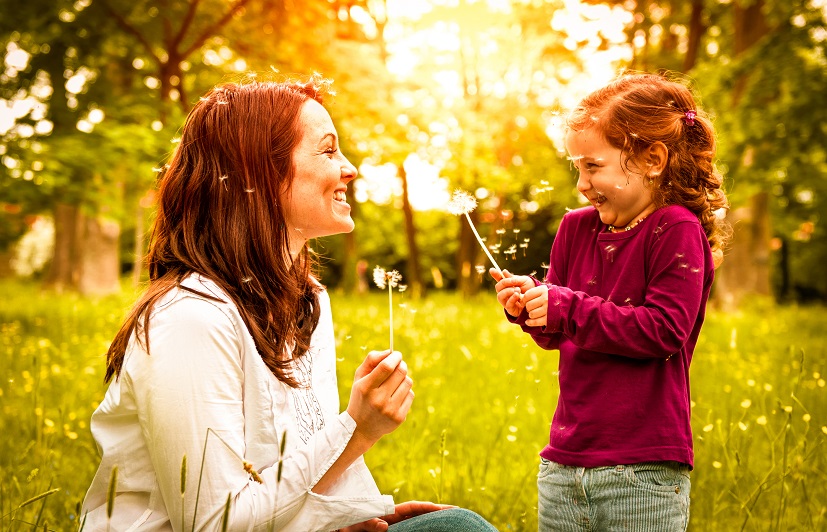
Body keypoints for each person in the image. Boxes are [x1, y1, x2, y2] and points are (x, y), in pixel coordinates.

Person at [82, 77, 497, 532]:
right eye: (328, 150)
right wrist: (356, 430)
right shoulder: (190, 319)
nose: (349, 169)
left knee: (454, 526)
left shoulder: (307, 301)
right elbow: (214, 524)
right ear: (259, 173)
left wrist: (343, 517)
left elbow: (283, 470)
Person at [491, 72, 729, 530]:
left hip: (642, 469)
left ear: (652, 159)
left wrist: (564, 306)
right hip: (564, 463)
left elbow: (663, 331)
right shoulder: (575, 229)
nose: (582, 183)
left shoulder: (676, 229)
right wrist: (531, 306)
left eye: (593, 166)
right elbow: (559, 333)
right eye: (576, 168)